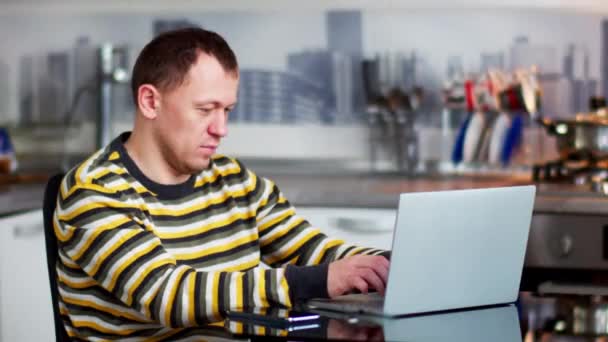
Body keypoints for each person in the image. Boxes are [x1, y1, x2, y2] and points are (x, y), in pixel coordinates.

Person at [53, 27, 390, 340]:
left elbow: (311, 250)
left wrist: (390, 264)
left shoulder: (233, 180)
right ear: (150, 102)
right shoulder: (93, 191)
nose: (221, 128)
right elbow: (168, 295)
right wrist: (319, 279)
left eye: (227, 110)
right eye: (205, 109)